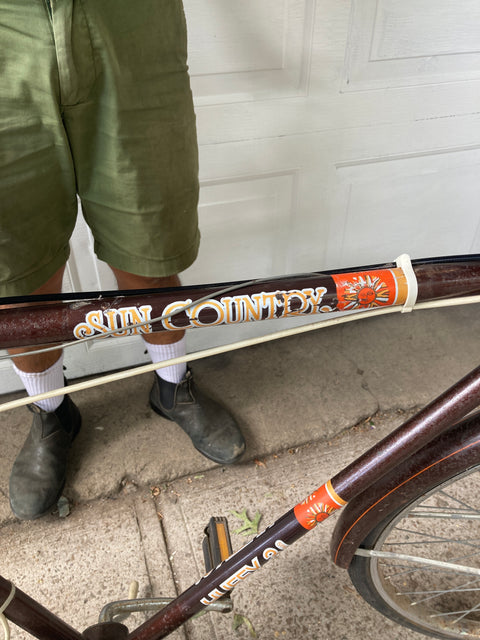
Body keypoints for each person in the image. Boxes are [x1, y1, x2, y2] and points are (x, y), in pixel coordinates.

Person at [0, 0, 245, 521]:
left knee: (149, 244)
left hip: (126, 20)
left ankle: (173, 387)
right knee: (15, 275)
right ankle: (50, 414)